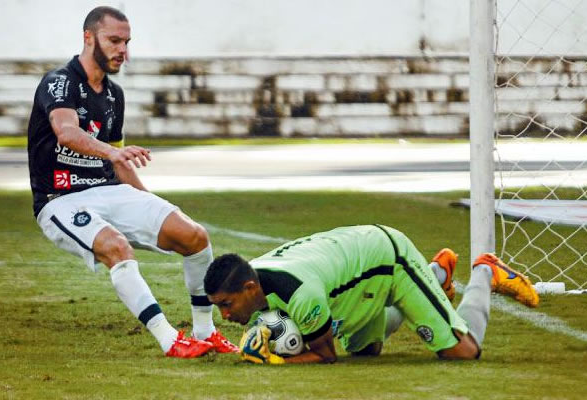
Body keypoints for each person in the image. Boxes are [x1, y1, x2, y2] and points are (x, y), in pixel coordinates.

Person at [27, 6, 237, 358]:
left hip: (110, 190)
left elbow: (120, 161)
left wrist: (152, 206)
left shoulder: (114, 96)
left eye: (126, 42)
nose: (122, 50)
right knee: (117, 247)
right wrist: (111, 153)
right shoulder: (59, 81)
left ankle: (206, 331)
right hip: (60, 199)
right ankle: (170, 339)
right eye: (114, 40)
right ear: (88, 37)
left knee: (195, 237)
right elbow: (66, 132)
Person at [204, 224, 539, 364]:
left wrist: (273, 359)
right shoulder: (255, 277)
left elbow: (325, 356)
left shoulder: (300, 294)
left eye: (226, 304)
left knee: (463, 352)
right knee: (367, 351)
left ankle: (486, 271)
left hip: (386, 259)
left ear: (250, 289)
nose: (225, 316)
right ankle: (436, 274)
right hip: (353, 279)